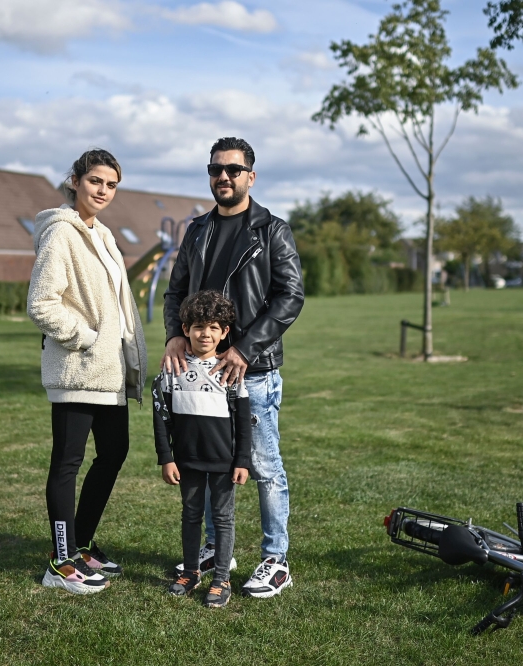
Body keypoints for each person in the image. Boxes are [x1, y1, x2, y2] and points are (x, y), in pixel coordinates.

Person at [162, 137, 304, 598]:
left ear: (250, 176)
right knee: (204, 462)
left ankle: (275, 559)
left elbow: (290, 296)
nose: (223, 177)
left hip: (252, 370)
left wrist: (243, 348)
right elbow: (175, 292)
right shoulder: (198, 230)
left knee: (263, 465)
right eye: (216, 169)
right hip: (199, 373)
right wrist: (174, 336)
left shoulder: (271, 230)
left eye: (233, 170)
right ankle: (213, 547)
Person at [27, 148, 147, 595]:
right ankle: (60, 562)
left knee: (114, 453)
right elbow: (41, 302)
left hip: (109, 373)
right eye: (96, 180)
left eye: (111, 184)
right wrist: (88, 338)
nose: (103, 191)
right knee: (68, 462)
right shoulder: (61, 233)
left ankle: (81, 544)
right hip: (79, 368)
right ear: (75, 180)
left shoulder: (104, 235)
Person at [154, 290, 251, 608]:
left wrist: (242, 461)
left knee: (223, 518)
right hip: (186, 460)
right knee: (191, 515)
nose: (204, 333)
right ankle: (191, 572)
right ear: (185, 329)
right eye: (197, 326)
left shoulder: (231, 372)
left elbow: (242, 424)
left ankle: (221, 579)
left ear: (224, 332)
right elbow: (161, 418)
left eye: (213, 327)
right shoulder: (172, 368)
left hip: (224, 461)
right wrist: (166, 458)